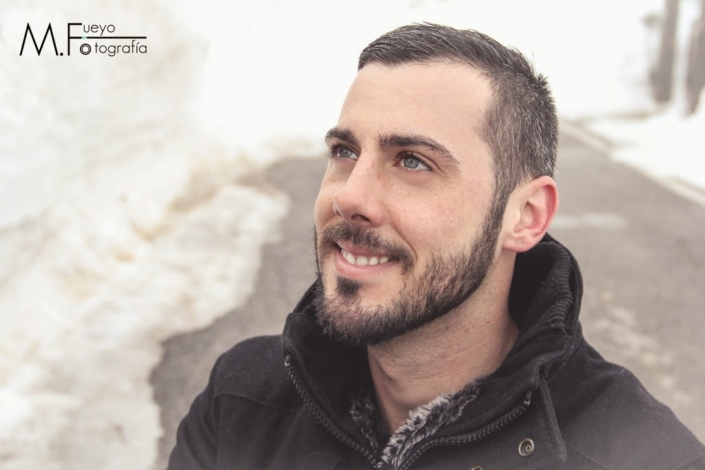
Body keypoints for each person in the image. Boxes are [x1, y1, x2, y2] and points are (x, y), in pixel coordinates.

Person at [167, 23, 705, 470]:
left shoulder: (649, 457)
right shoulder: (240, 403)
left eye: (413, 161)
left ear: (525, 216)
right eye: (345, 151)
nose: (349, 197)